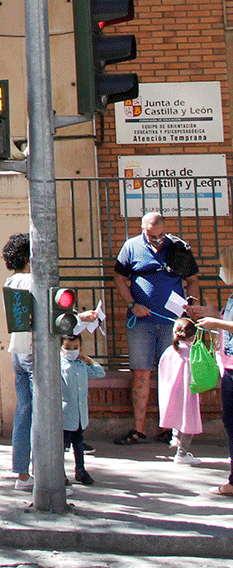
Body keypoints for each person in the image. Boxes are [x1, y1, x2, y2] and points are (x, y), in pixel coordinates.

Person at [113, 212, 200, 445]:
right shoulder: (131, 247)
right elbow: (119, 278)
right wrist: (132, 304)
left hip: (172, 323)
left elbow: (192, 280)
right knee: (141, 373)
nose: (158, 240)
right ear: (143, 229)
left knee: (171, 374)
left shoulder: (179, 246)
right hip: (141, 322)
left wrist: (191, 305)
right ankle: (138, 429)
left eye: (161, 235)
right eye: (153, 236)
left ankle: (169, 429)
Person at [185, 243, 233, 495]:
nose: (220, 271)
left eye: (222, 266)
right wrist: (210, 314)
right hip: (229, 367)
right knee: (229, 421)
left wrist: (216, 321)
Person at [2, 233, 35, 491]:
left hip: (18, 351)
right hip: (35, 352)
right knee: (43, 414)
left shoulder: (10, 281)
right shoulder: (31, 281)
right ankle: (46, 472)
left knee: (24, 410)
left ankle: (22, 474)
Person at [157, 317, 203, 465]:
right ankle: (182, 453)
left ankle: (175, 438)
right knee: (189, 421)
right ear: (192, 336)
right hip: (188, 393)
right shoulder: (192, 352)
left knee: (177, 416)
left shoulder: (170, 351)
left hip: (171, 393)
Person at [60, 334, 105, 486]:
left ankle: (80, 470)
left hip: (79, 414)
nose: (72, 351)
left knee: (78, 444)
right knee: (62, 446)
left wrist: (86, 359)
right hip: (65, 414)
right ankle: (60, 473)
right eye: (68, 348)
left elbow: (100, 373)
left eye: (75, 347)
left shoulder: (81, 365)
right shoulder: (59, 364)